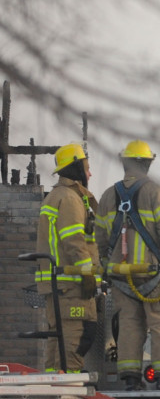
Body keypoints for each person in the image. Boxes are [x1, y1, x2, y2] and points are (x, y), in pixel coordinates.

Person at [96, 140, 160, 391]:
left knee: (129, 324)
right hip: (150, 274)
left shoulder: (107, 195)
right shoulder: (154, 191)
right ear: (147, 163)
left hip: (120, 276)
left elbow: (99, 237)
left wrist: (105, 264)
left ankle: (131, 378)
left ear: (124, 163)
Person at [35, 143, 101, 372]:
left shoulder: (56, 196)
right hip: (71, 283)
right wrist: (88, 274)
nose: (90, 173)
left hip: (57, 284)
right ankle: (69, 388)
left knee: (58, 339)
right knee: (78, 335)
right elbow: (74, 241)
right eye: (87, 167)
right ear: (76, 168)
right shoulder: (71, 199)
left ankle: (54, 384)